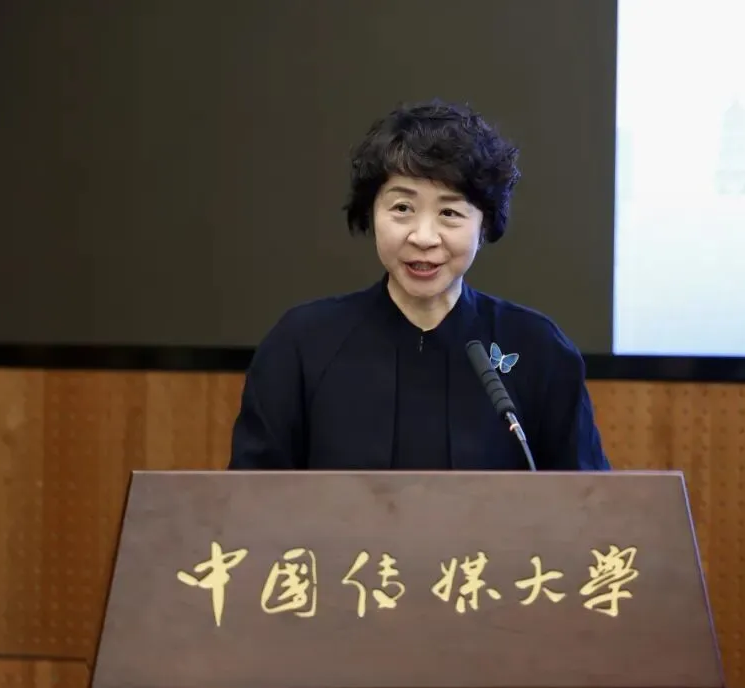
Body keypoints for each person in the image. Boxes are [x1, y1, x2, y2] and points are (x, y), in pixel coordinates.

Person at [228, 99, 609, 472]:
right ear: (371, 214)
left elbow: (587, 500)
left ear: (485, 225)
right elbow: (250, 498)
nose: (424, 237)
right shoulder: (301, 345)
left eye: (450, 212)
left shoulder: (538, 349)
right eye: (402, 208)